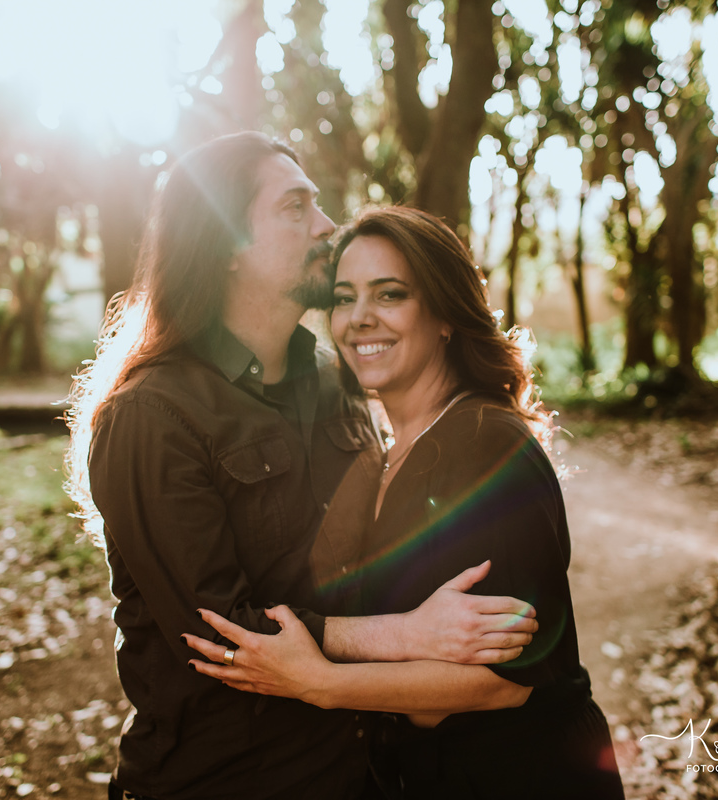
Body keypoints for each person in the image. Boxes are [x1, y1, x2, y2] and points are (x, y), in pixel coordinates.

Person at [65, 134, 539, 800]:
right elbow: (222, 636)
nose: (326, 227)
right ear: (225, 244)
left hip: (362, 770)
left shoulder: (334, 377)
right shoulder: (152, 416)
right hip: (226, 782)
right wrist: (405, 634)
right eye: (295, 208)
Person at [184, 206, 625, 799]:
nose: (360, 319)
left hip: (519, 774)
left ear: (444, 315)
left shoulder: (487, 443)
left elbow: (507, 681)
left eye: (389, 295)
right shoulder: (382, 452)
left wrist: (321, 683)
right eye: (344, 299)